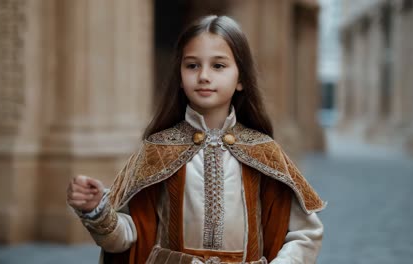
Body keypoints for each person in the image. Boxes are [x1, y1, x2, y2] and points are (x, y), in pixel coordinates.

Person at [67, 15, 326, 264]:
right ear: (180, 77)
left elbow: (306, 234)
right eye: (192, 65)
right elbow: (124, 241)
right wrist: (96, 210)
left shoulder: (264, 151)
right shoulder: (157, 150)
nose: (203, 75)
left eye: (218, 65)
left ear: (241, 80)